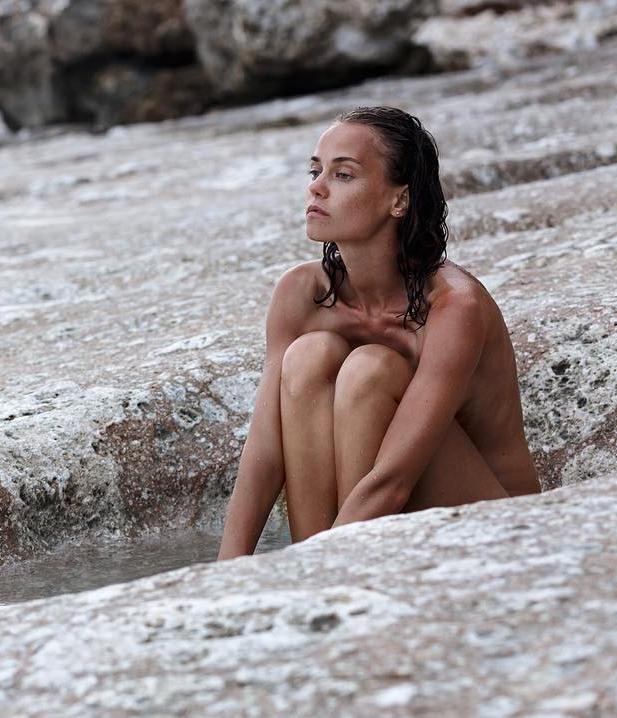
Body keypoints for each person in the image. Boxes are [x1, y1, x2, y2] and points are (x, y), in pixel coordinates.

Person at [217, 106, 541, 559]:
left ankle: (331, 568)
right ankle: (324, 566)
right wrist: (227, 573)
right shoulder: (301, 293)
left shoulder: (454, 306)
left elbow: (392, 481)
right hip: (365, 529)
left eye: (343, 175)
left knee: (371, 371)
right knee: (309, 356)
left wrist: (314, 568)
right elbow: (265, 453)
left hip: (497, 529)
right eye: (315, 170)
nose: (317, 187)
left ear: (399, 201)